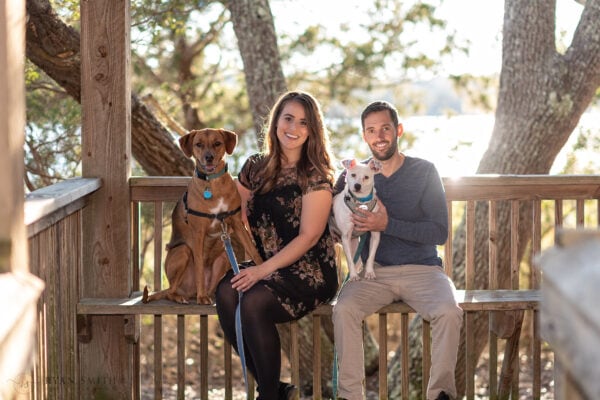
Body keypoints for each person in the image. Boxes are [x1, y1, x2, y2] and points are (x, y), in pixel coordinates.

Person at [332, 101, 463, 400]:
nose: (379, 136)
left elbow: (439, 232)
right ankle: (350, 395)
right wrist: (338, 233)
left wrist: (387, 223)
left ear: (398, 130)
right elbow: (337, 225)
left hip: (423, 270)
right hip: (372, 274)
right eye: (371, 130)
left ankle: (441, 395)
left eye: (385, 128)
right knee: (344, 310)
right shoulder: (353, 175)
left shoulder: (424, 171)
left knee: (449, 311)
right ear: (365, 136)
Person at [215, 90, 339, 400]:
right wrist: (211, 202)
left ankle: (268, 395)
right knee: (226, 292)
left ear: (313, 130)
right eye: (288, 119)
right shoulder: (254, 167)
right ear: (276, 122)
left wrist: (260, 271)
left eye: (303, 122)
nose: (293, 128)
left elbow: (309, 236)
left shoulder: (315, 175)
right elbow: (231, 209)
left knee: (253, 299)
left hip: (310, 271)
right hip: (266, 265)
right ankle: (275, 389)